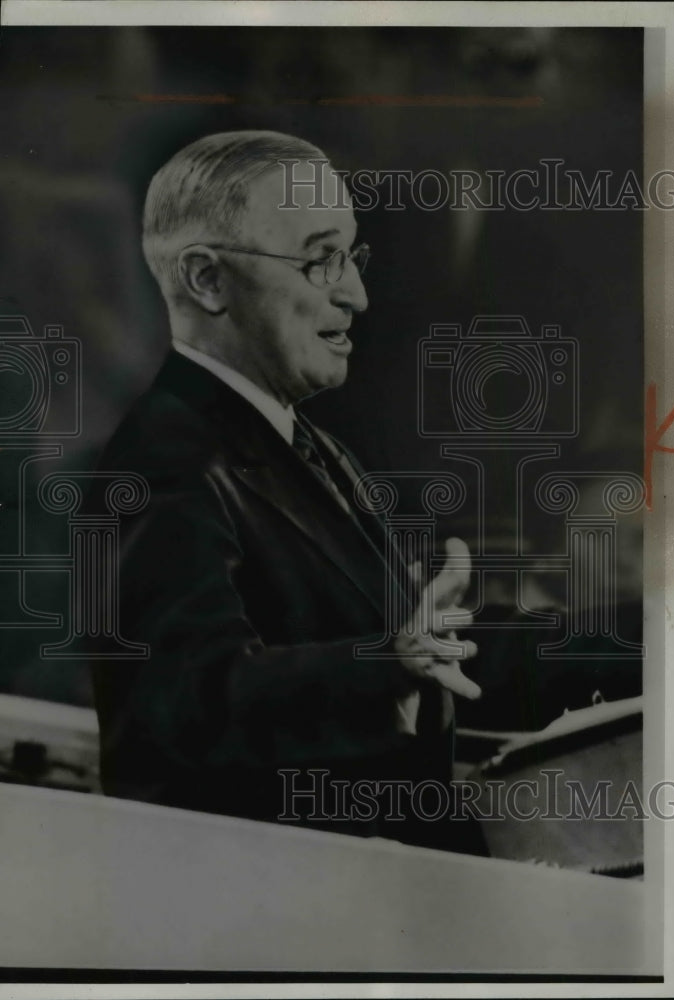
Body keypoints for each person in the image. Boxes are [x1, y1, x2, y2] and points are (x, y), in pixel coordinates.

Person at [90, 130, 487, 854]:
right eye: (319, 259)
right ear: (207, 280)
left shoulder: (303, 442)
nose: (357, 295)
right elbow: (181, 709)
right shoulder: (160, 463)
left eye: (352, 257)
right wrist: (384, 665)